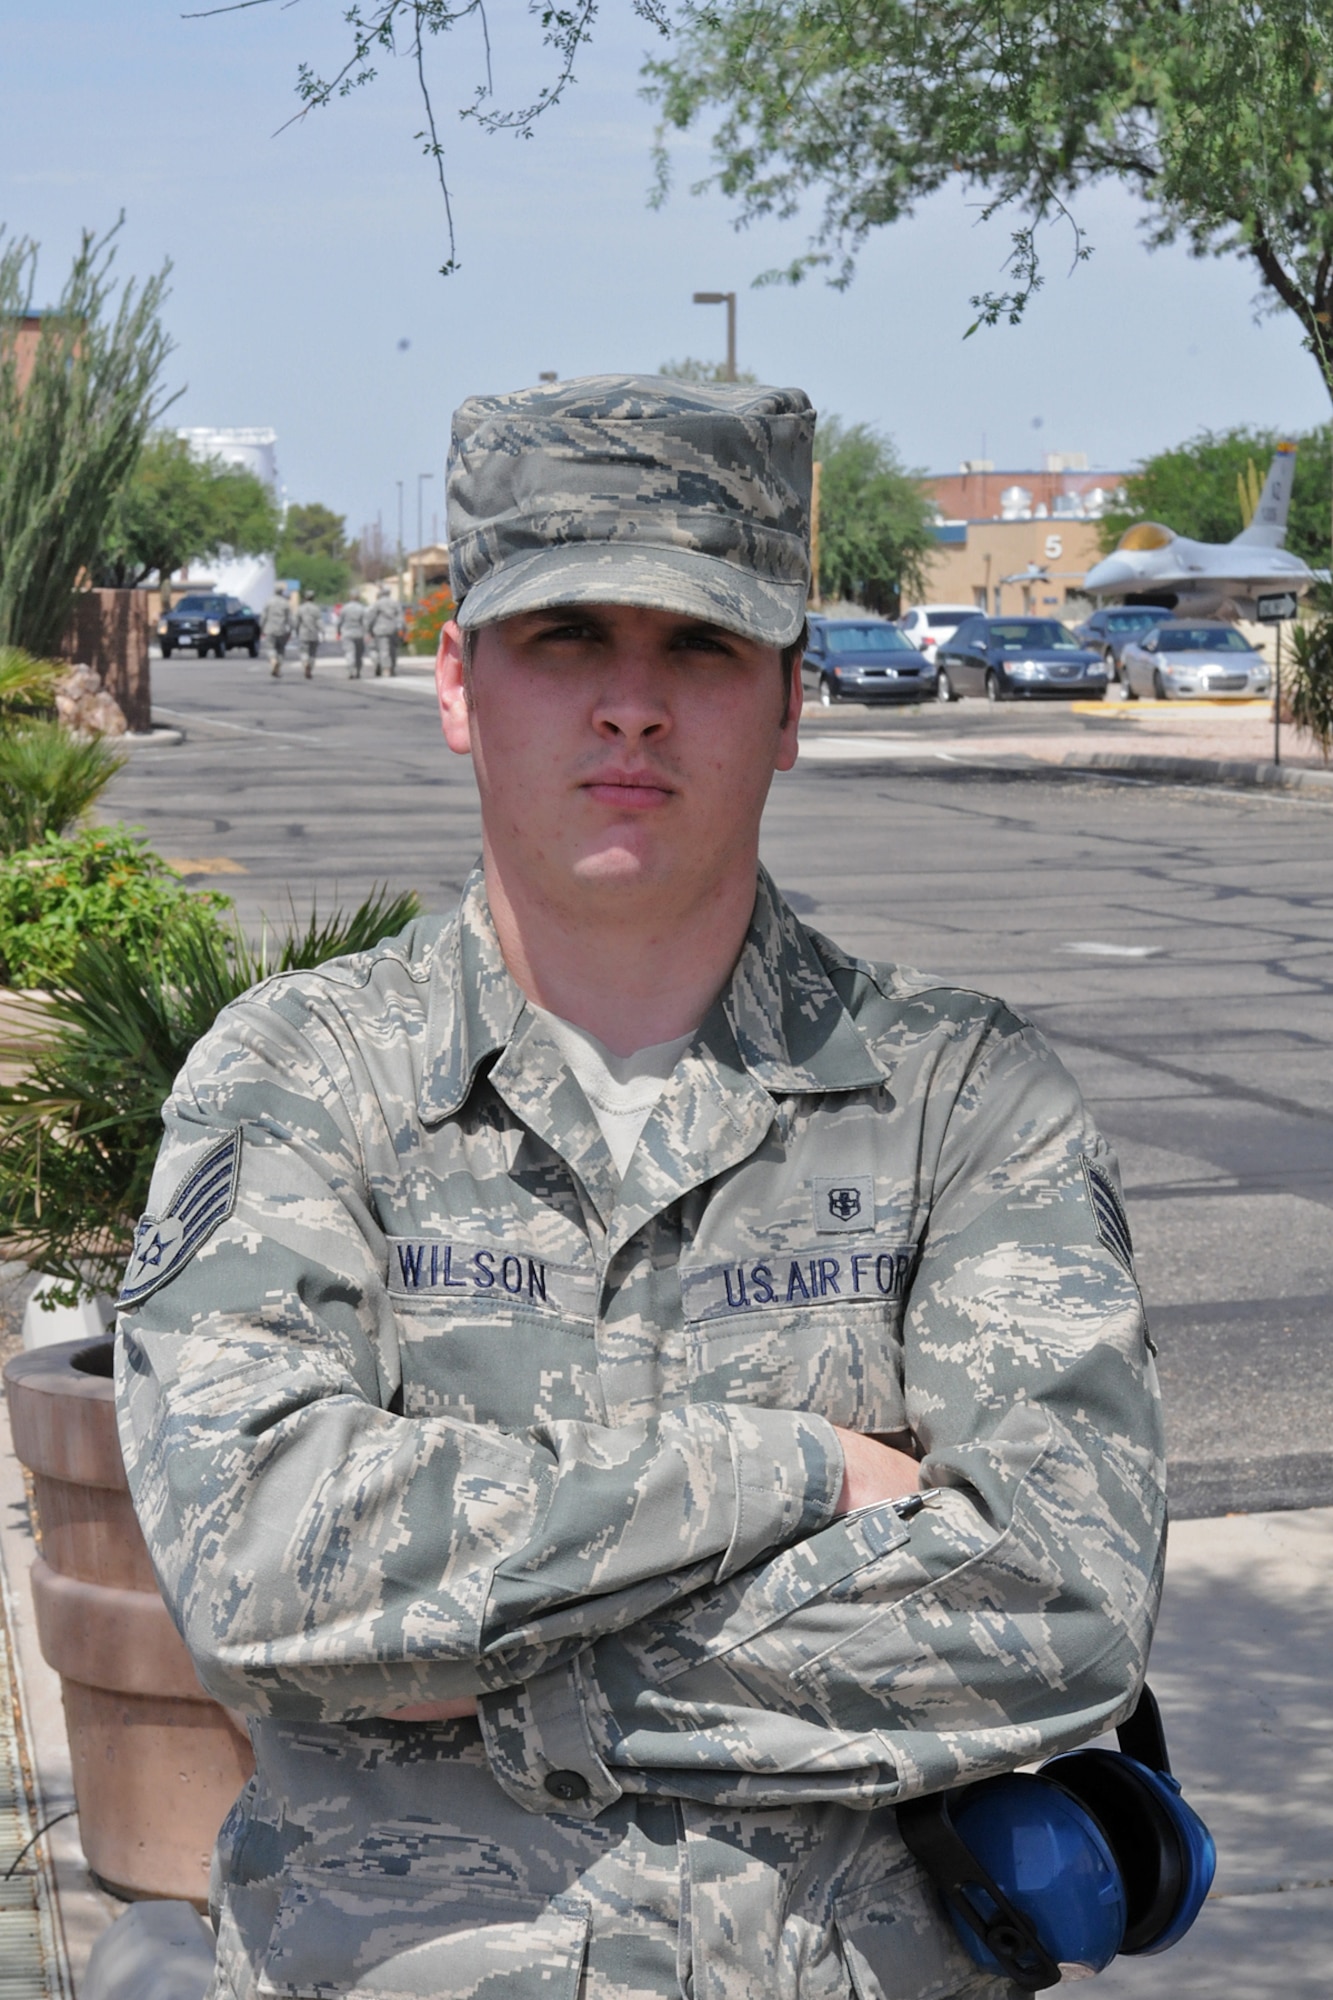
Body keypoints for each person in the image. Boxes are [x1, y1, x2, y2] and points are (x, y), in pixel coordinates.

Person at [115, 377, 1164, 2000]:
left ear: (788, 704)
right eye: (563, 639)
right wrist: (794, 1470)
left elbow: (1059, 1604)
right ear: (458, 686)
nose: (631, 705)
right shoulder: (300, 1075)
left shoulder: (963, 1093)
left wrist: (503, 1680)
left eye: (699, 646)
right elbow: (260, 1577)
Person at [369, 583, 404, 677]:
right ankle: (392, 668)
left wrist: (369, 630)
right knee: (392, 650)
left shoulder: (377, 604)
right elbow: (400, 617)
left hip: (381, 630)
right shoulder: (395, 603)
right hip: (393, 629)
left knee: (384, 650)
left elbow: (371, 618)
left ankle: (386, 669)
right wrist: (400, 628)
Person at [260, 584, 292, 677]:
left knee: (270, 648)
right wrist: (291, 629)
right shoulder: (285, 603)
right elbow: (289, 618)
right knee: (281, 649)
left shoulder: (269, 602)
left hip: (270, 629)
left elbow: (263, 617)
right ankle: (278, 666)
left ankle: (273, 661)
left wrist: (261, 628)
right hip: (281, 630)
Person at [338, 591, 369, 678]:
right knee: (358, 654)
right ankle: (358, 670)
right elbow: (365, 622)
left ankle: (350, 670)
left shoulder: (345, 608)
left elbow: (340, 621)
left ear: (350, 597)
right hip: (359, 633)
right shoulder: (362, 608)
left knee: (349, 652)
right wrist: (367, 633)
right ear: (358, 598)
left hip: (347, 633)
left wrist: (338, 631)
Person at [295, 588, 323, 679]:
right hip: (313, 634)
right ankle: (310, 667)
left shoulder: (300, 608)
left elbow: (296, 622)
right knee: (312, 653)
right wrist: (322, 631)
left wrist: (296, 631)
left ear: (305, 598)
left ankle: (305, 663)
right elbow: (319, 622)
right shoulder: (316, 608)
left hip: (303, 633)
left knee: (303, 652)